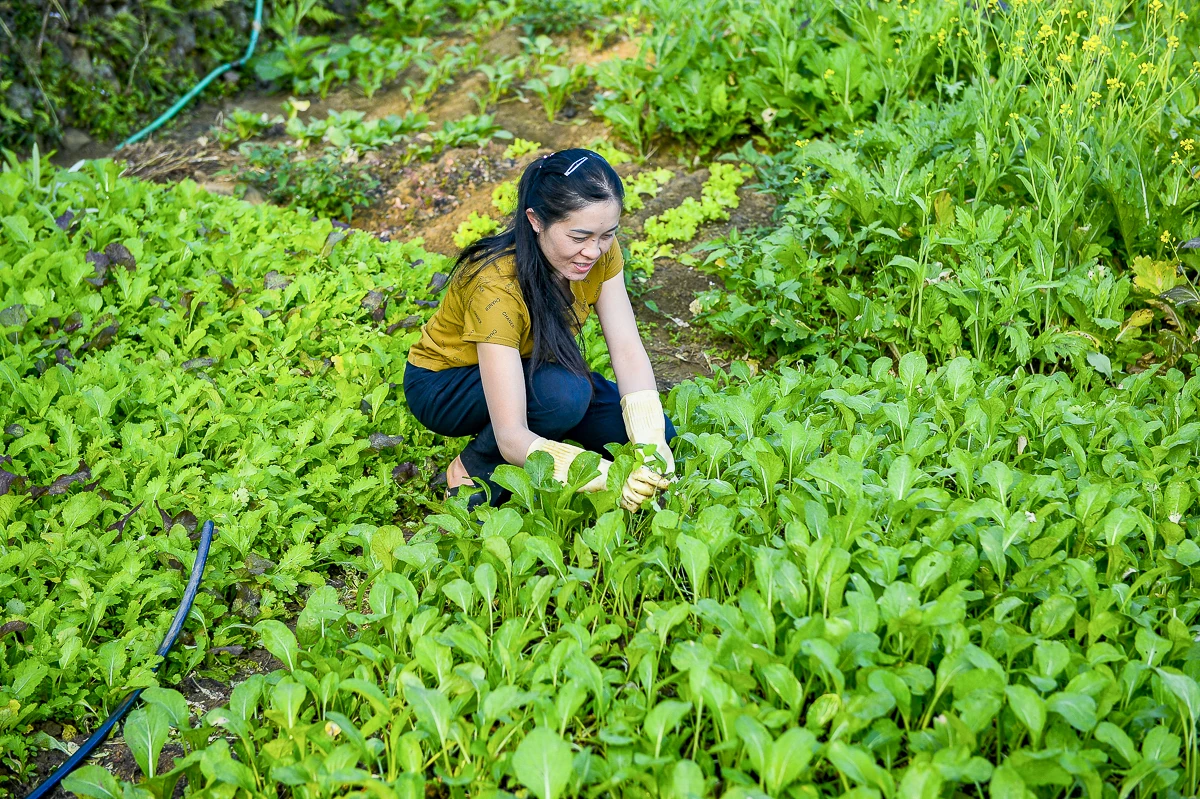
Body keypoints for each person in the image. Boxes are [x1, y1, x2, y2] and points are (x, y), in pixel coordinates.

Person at [403, 148, 677, 511]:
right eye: (578, 237)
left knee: (662, 436)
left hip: (534, 364)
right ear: (535, 221)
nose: (593, 251)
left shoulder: (598, 251)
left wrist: (650, 440)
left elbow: (626, 348)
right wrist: (601, 476)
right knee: (563, 396)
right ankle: (472, 470)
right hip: (446, 384)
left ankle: (555, 424)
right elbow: (511, 436)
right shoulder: (495, 286)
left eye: (607, 235)